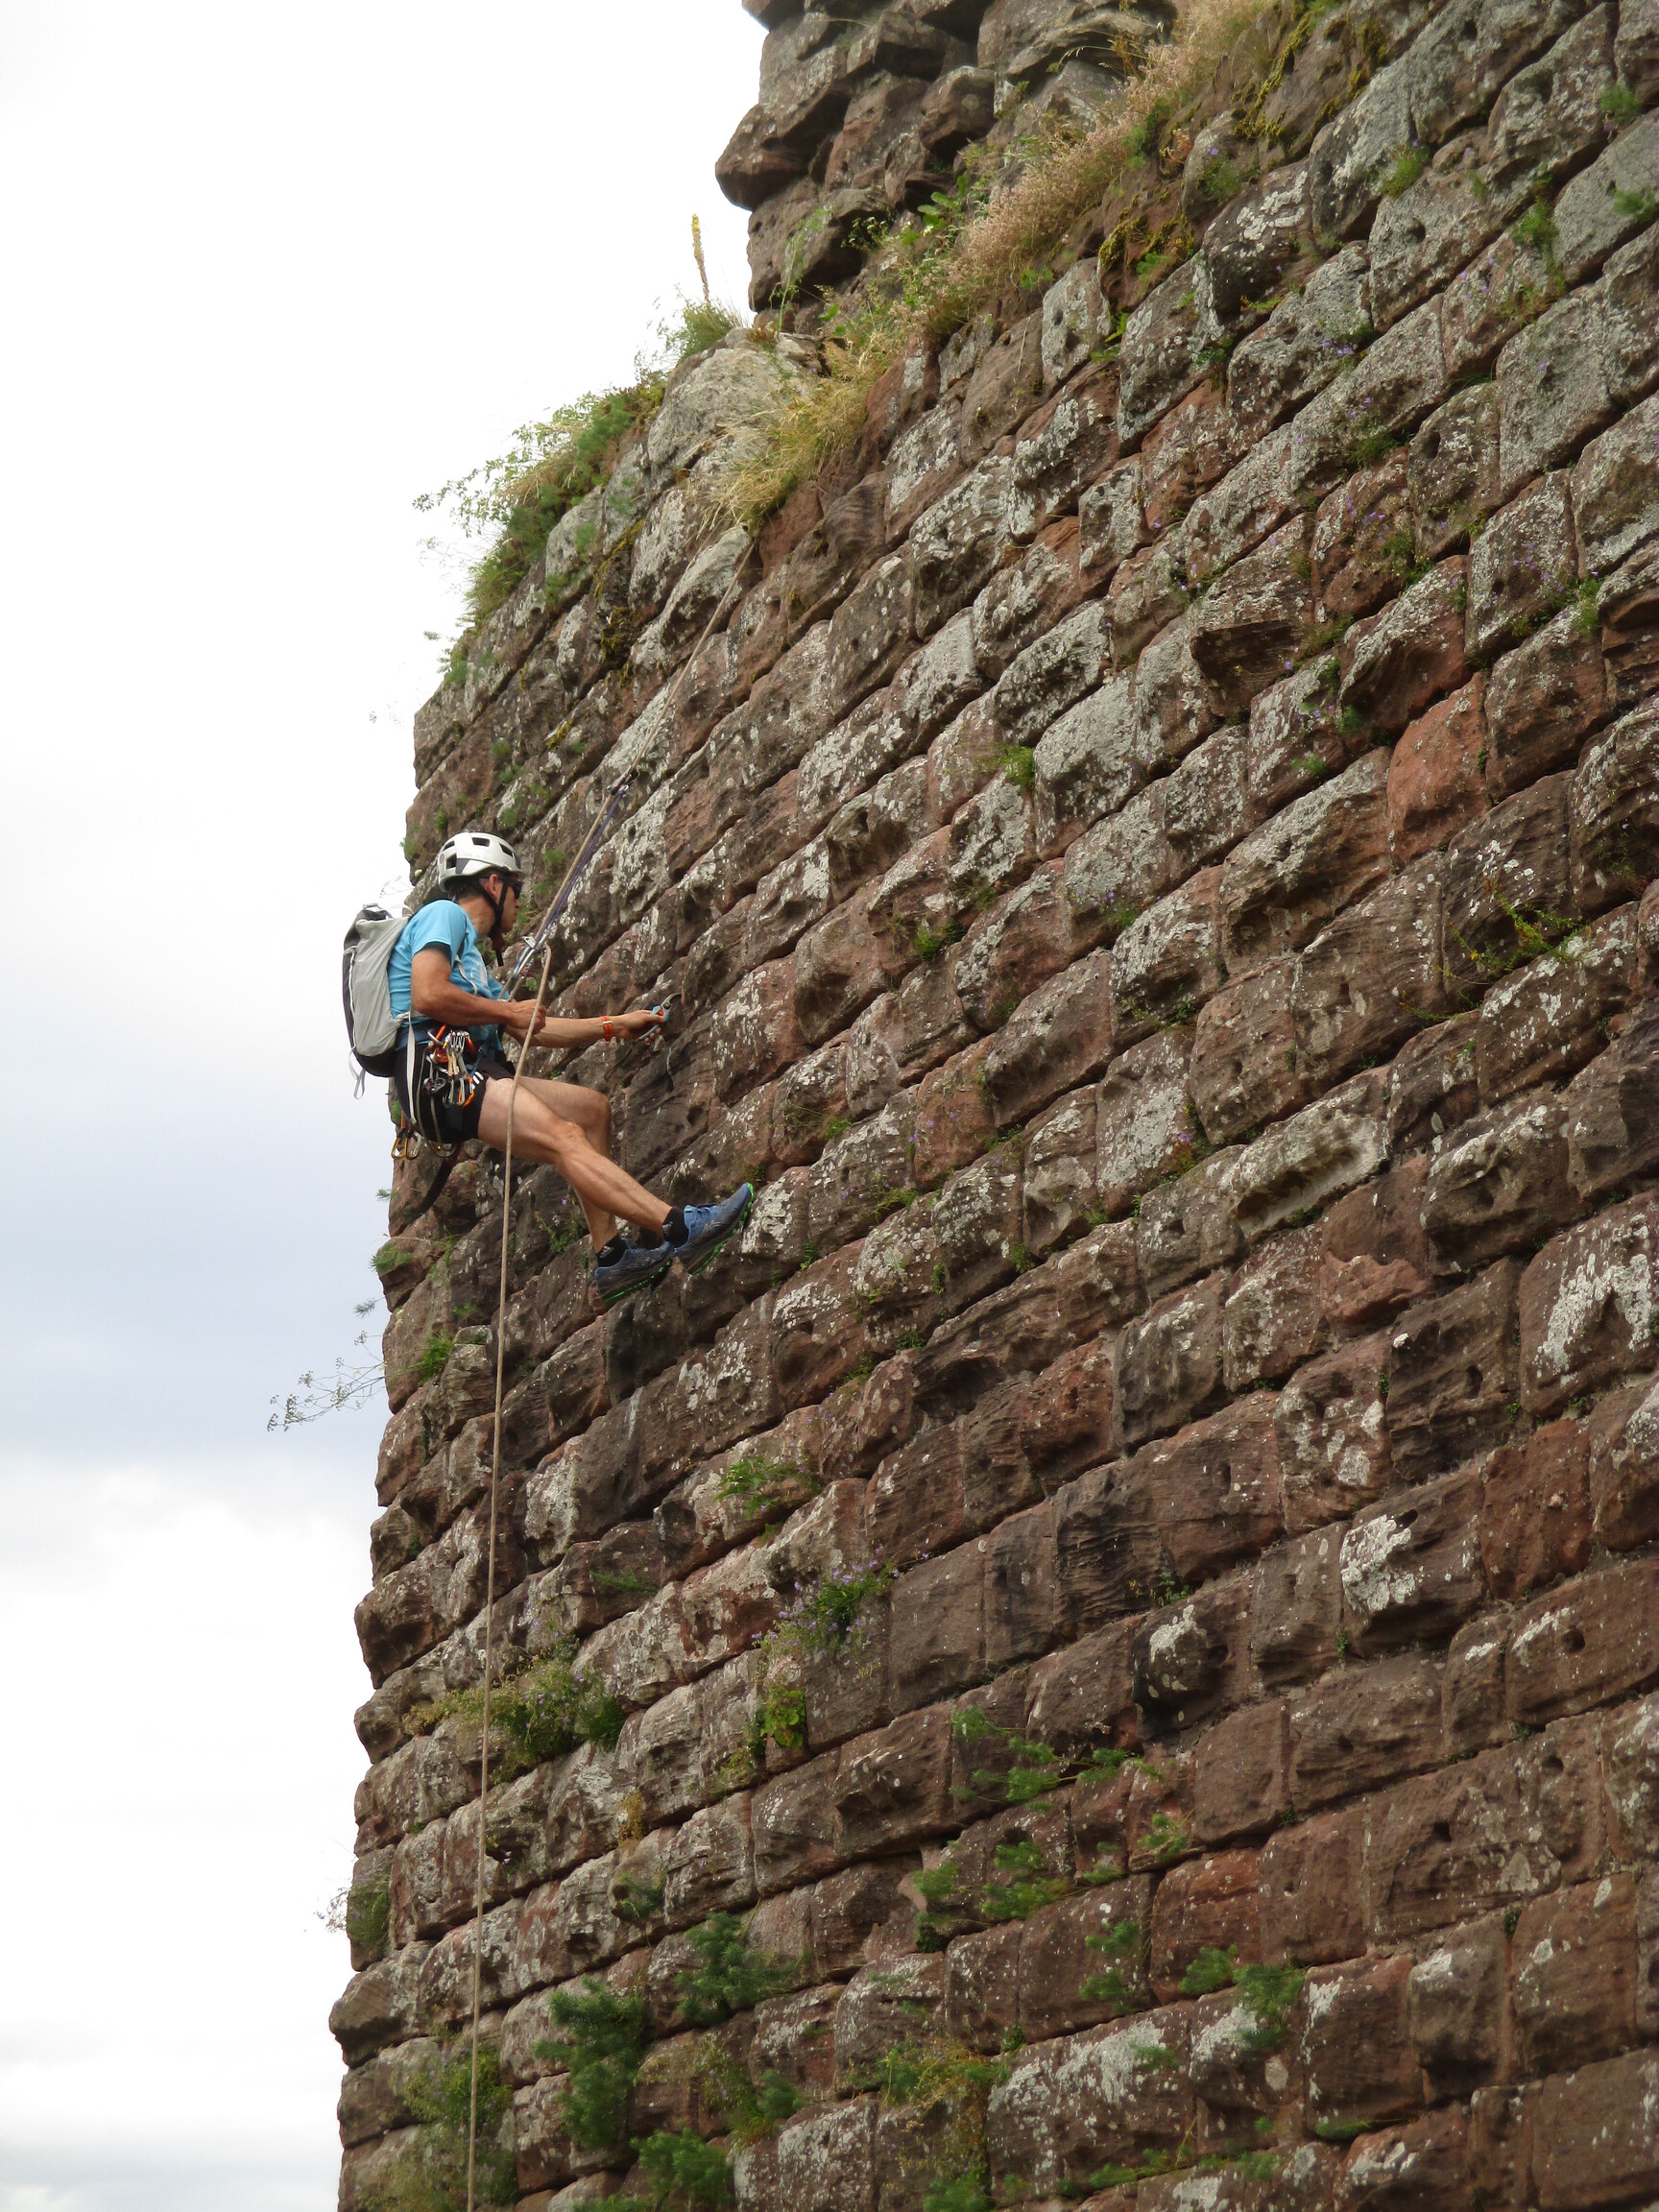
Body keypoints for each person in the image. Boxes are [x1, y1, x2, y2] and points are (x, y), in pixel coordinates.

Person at [389, 830, 751, 1301]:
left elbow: (532, 1029)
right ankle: (682, 1228)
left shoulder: (471, 962)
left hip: (467, 1068)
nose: (519, 903)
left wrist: (613, 1025)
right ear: (494, 885)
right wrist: (506, 1011)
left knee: (590, 1110)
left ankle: (612, 1257)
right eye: (516, 889)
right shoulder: (445, 915)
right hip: (442, 1071)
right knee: (564, 1138)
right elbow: (428, 994)